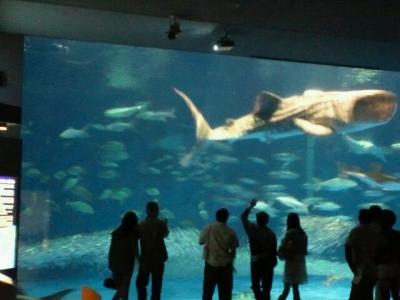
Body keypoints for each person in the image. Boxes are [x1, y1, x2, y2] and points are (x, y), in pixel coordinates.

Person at [199, 208, 239, 300]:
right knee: (225, 294)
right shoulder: (231, 231)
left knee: (207, 292)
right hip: (226, 266)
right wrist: (232, 263)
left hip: (210, 264)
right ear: (227, 217)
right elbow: (233, 250)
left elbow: (201, 241)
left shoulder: (208, 228)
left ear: (216, 217)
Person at [241, 199, 277, 300]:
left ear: (257, 219)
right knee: (266, 288)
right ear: (267, 221)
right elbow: (273, 251)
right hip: (268, 263)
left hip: (255, 261)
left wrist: (250, 206)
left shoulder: (252, 229)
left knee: (256, 286)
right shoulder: (271, 234)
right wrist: (273, 263)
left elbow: (243, 217)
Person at [345, 208, 382, 300]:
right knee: (368, 295)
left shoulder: (355, 231)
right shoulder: (376, 233)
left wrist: (353, 268)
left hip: (360, 271)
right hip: (373, 271)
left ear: (359, 218)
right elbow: (380, 251)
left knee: (354, 296)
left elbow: (348, 249)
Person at [136, 201, 169, 300]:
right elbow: (165, 235)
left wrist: (138, 258)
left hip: (145, 259)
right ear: (157, 211)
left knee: (141, 284)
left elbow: (135, 242)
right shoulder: (161, 224)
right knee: (157, 286)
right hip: (159, 259)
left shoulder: (140, 225)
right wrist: (166, 225)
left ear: (147, 211)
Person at [108, 211, 139, 300]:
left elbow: (112, 251)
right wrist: (139, 260)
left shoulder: (116, 233)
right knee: (123, 291)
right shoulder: (134, 233)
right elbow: (135, 249)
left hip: (116, 265)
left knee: (121, 291)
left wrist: (111, 265)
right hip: (127, 265)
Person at [277, 213, 308, 300]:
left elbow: (284, 248)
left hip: (291, 262)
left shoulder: (290, 233)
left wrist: (280, 251)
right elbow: (304, 251)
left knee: (286, 287)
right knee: (295, 288)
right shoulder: (303, 233)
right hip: (300, 262)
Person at [375, 209, 400, 300]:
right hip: (396, 268)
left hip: (381, 269)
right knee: (396, 294)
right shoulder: (398, 235)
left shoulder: (376, 235)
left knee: (382, 295)